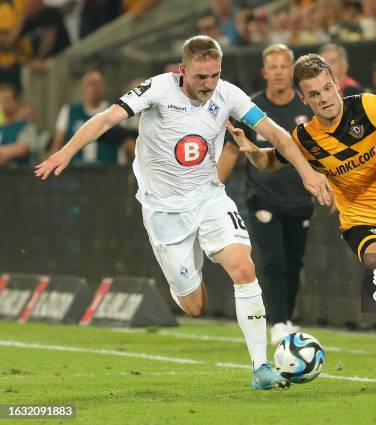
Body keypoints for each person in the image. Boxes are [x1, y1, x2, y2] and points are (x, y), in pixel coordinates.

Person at [35, 35, 330, 390]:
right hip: (163, 212)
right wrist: (65, 152)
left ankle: (261, 366)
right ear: (182, 70)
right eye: (200, 77)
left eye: (214, 75)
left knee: (244, 267)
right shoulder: (158, 89)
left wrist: (307, 172)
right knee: (194, 307)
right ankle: (185, 278)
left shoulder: (229, 95)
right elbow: (107, 118)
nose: (208, 84)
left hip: (208, 197)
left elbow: (278, 135)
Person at [225, 54, 376, 384]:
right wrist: (252, 151)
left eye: (327, 89)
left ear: (336, 84)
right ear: (303, 99)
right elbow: (271, 162)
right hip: (359, 219)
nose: (324, 99)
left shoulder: (367, 106)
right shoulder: (305, 139)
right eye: (315, 94)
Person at [217, 44, 313, 344]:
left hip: (299, 198)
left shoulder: (307, 108)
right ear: (264, 72)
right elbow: (232, 150)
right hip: (263, 198)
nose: (279, 72)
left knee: (294, 263)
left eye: (284, 66)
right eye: (273, 67)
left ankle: (287, 317)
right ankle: (279, 321)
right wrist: (211, 191)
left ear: (292, 71)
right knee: (272, 261)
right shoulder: (250, 108)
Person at [48, 69, 131, 164]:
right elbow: (57, 145)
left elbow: (128, 146)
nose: (93, 88)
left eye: (96, 84)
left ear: (104, 87)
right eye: (89, 84)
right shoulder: (69, 111)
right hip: (76, 172)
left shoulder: (116, 111)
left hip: (108, 172)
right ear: (83, 88)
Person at [0, 83, 39, 166]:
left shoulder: (26, 126)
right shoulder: (1, 127)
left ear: (16, 101)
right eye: (1, 100)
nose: (3, 104)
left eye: (6, 100)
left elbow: (22, 148)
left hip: (21, 175)